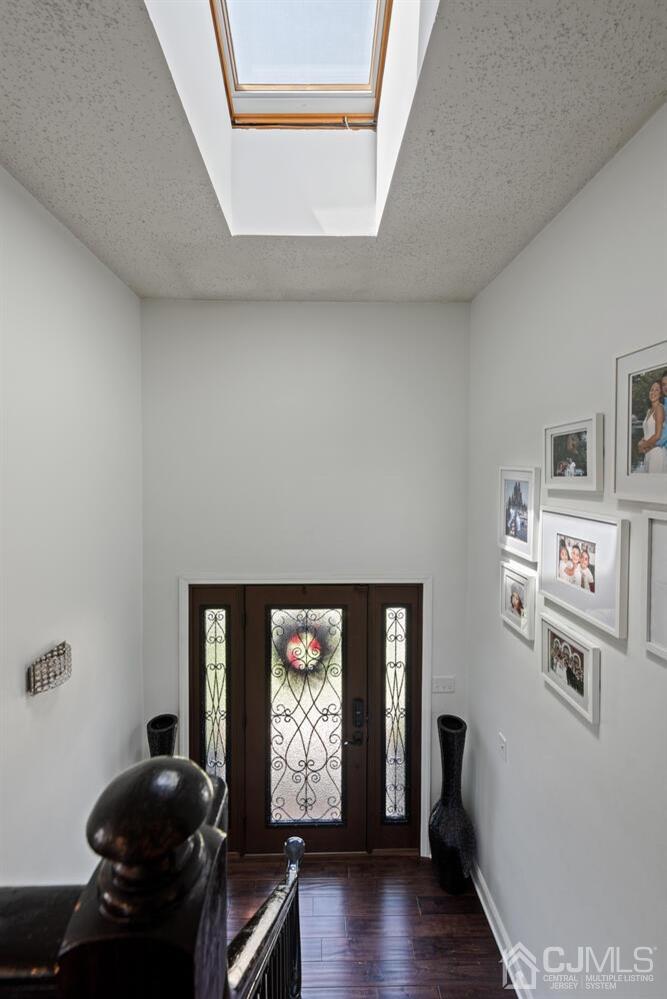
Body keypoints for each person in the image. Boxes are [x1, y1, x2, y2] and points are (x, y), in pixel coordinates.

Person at [637, 380, 667, 473]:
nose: (653, 392)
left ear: (661, 394)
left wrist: (643, 446)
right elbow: (648, 431)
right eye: (651, 390)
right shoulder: (649, 410)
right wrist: (641, 441)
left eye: (657, 390)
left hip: (657, 453)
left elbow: (658, 435)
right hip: (648, 452)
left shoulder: (660, 409)